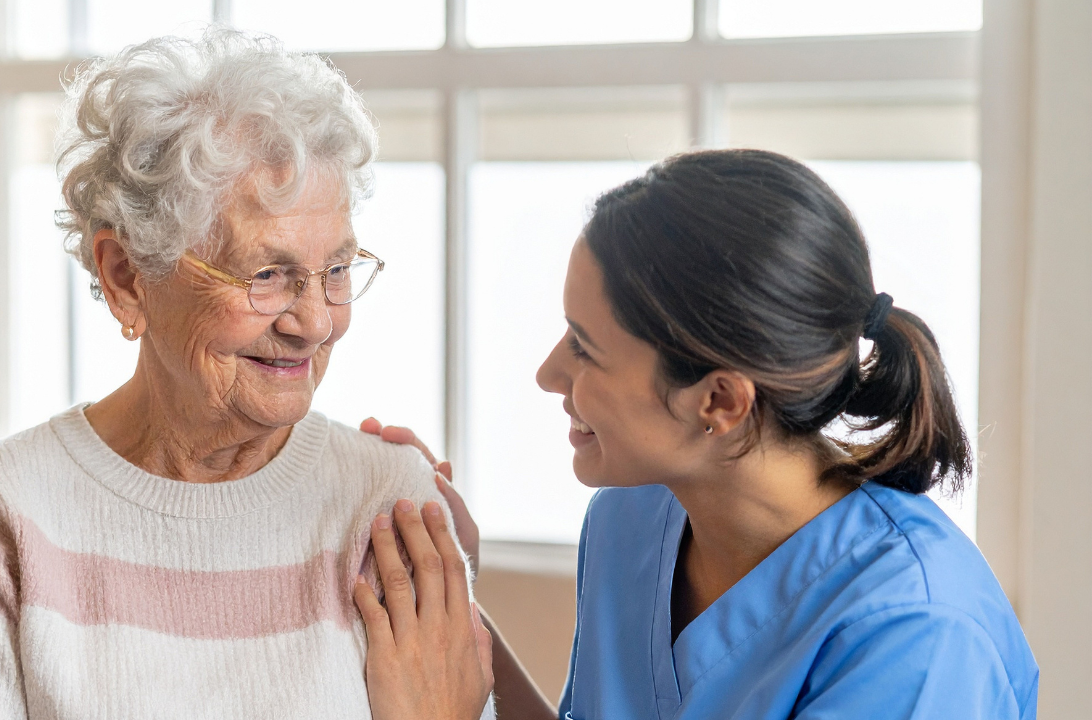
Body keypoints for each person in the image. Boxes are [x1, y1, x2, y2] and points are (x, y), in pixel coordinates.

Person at [0, 29, 490, 719]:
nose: (315, 322)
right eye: (267, 275)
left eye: (335, 271)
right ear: (127, 277)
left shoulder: (389, 508)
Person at [355, 149, 1039, 720]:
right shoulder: (632, 521)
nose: (547, 373)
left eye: (585, 348)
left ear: (719, 400)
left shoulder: (917, 638)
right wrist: (445, 590)